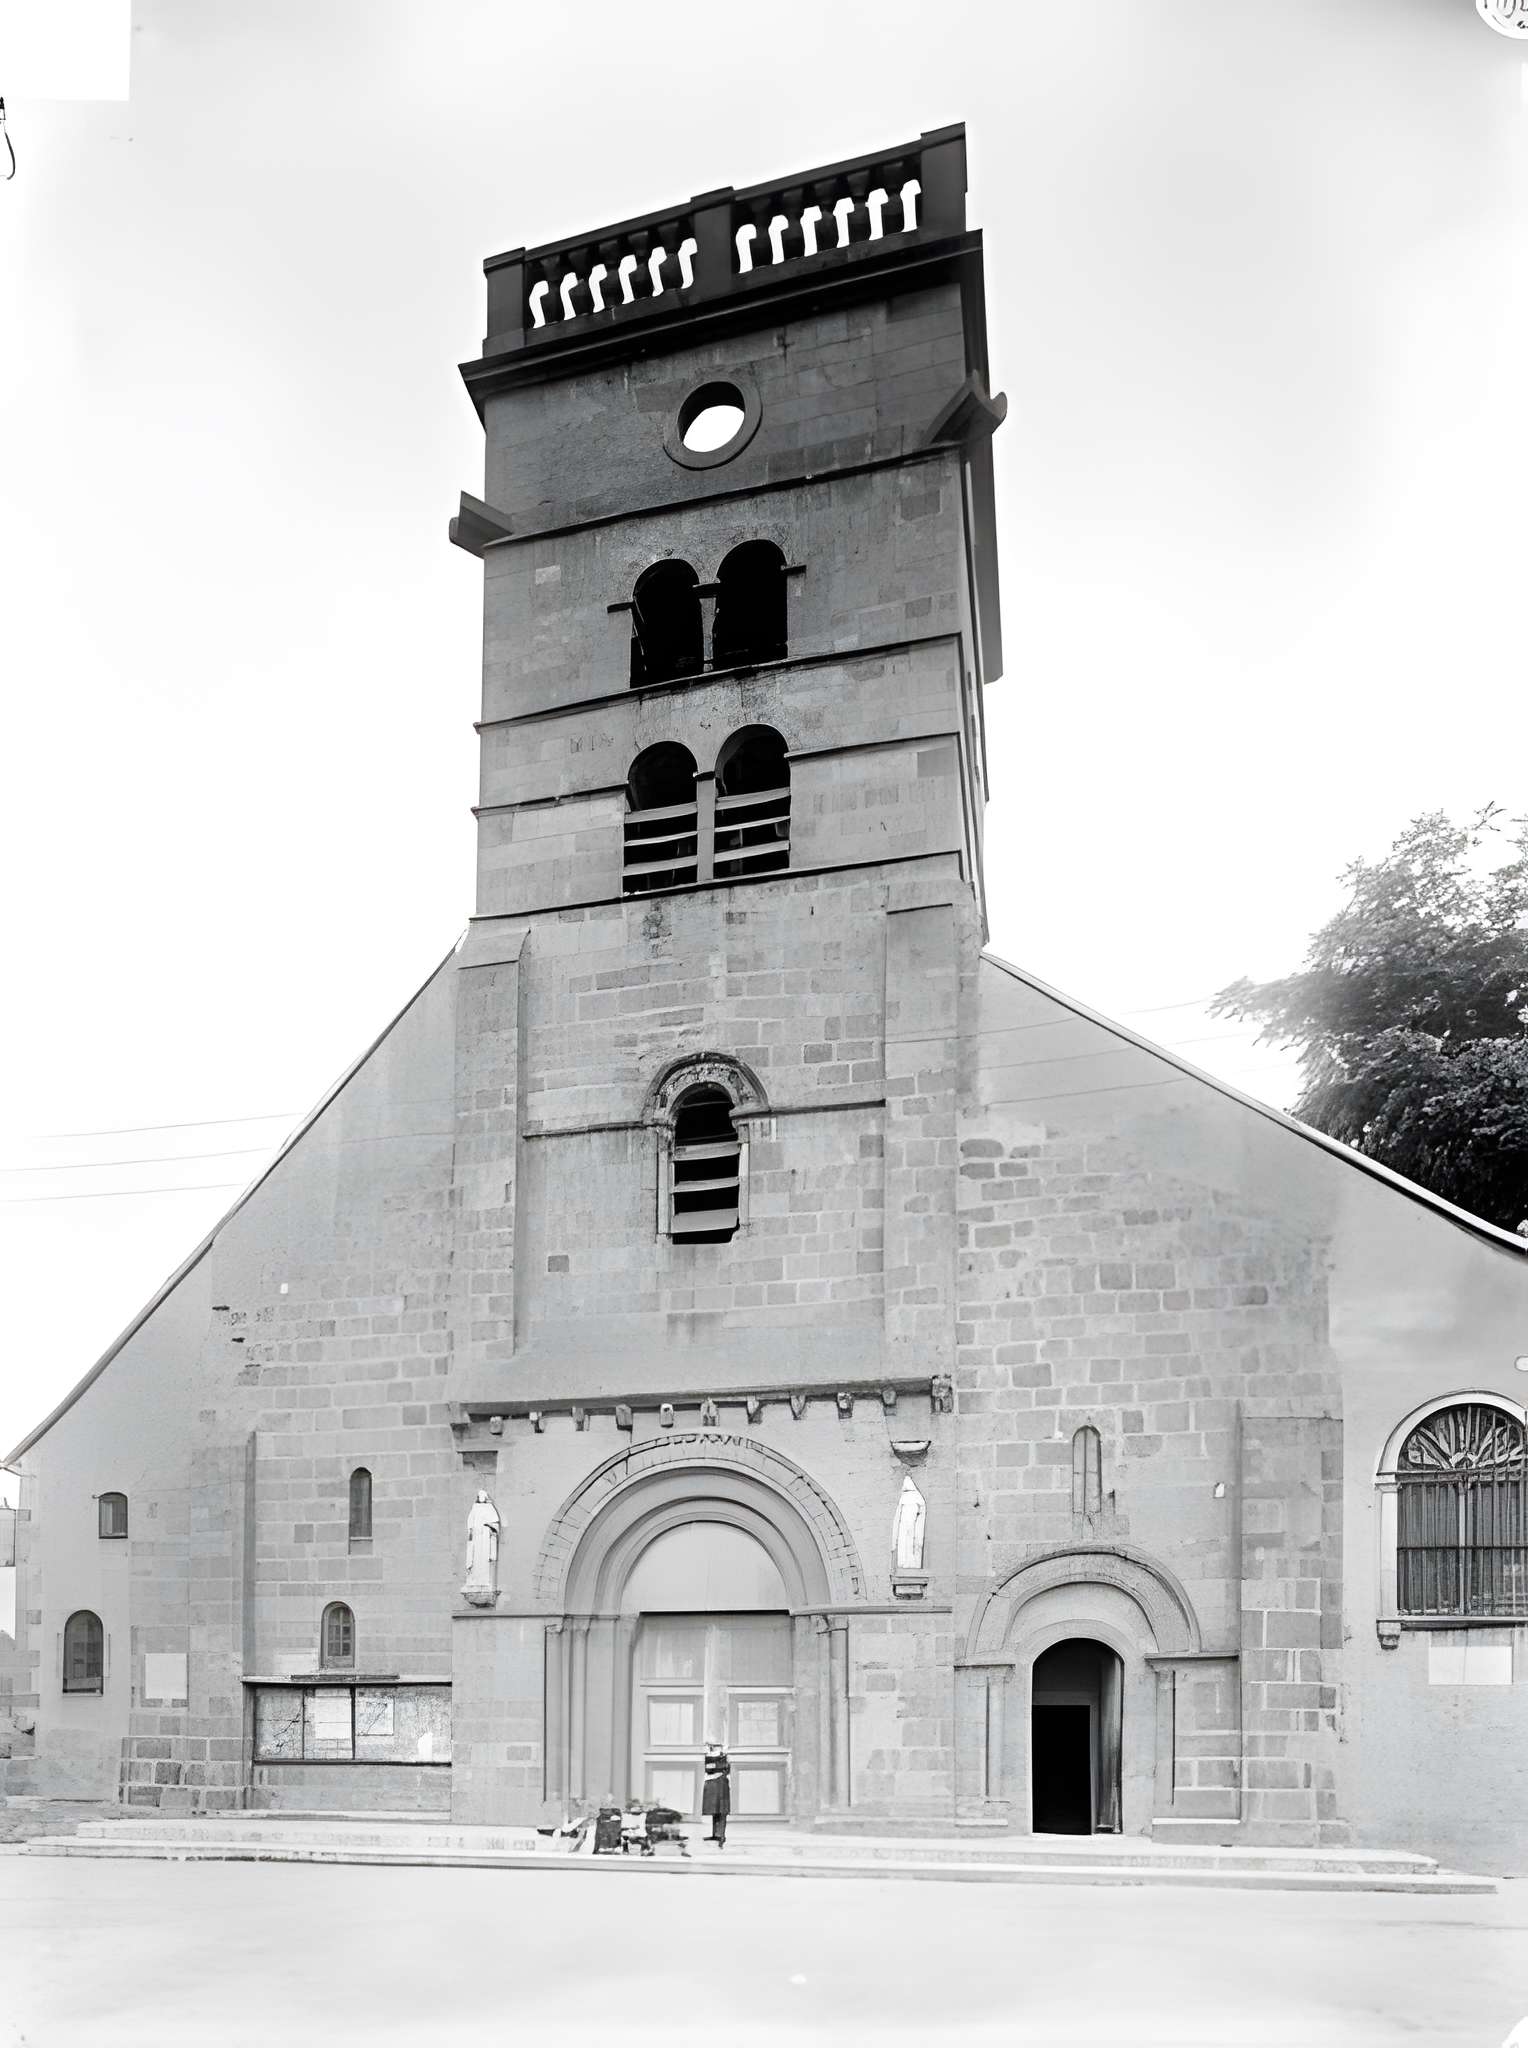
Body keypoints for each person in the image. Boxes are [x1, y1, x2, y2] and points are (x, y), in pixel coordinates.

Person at [701, 1740, 731, 1847]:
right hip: (713, 1784)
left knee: (721, 1810)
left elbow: (722, 1767)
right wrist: (714, 1767)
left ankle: (721, 1835)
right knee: (715, 1810)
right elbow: (708, 1768)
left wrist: (713, 1767)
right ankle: (715, 1834)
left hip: (721, 1785)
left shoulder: (723, 1756)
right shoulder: (708, 1757)